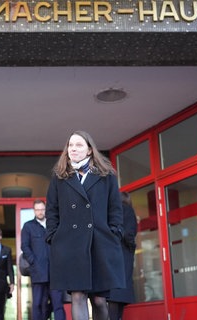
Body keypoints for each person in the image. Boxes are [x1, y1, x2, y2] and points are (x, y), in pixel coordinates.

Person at [45, 130, 125, 320]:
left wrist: (115, 232)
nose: (73, 148)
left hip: (100, 243)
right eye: (70, 145)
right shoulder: (60, 177)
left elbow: (115, 209)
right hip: (70, 245)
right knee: (78, 296)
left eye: (78, 145)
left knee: (98, 300)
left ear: (89, 150)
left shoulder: (106, 175)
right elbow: (52, 210)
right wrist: (53, 236)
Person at [21, 199, 66, 320]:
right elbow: (24, 246)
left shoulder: (53, 225)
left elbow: (62, 243)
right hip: (38, 271)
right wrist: (33, 262)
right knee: (38, 304)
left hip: (54, 272)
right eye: (37, 210)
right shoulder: (28, 226)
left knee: (58, 304)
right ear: (34, 211)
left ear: (45, 209)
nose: (40, 212)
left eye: (42, 209)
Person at [107, 192, 138, 320]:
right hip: (123, 255)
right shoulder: (128, 211)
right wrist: (132, 247)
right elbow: (129, 234)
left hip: (111, 256)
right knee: (119, 295)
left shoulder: (110, 212)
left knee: (113, 295)